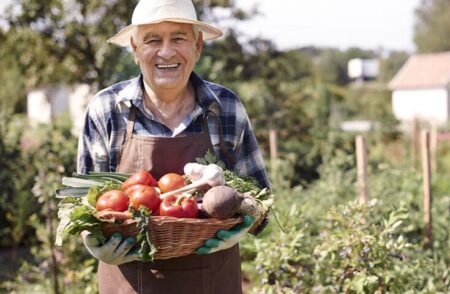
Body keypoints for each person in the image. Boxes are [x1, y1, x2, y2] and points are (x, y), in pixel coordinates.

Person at [77, 0, 270, 293]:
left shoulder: (227, 108)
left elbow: (262, 200)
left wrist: (246, 220)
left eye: (178, 38)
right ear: (134, 48)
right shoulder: (106, 109)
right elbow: (82, 205)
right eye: (152, 40)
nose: (166, 52)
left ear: (197, 45)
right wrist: (93, 243)